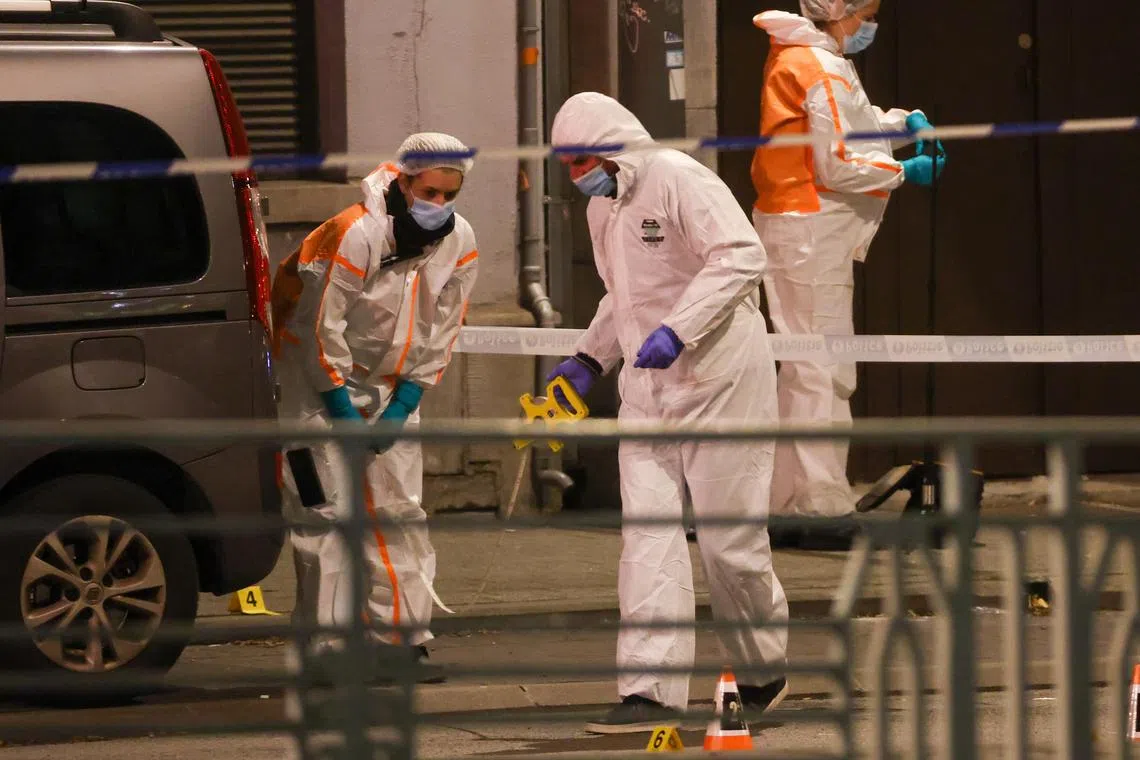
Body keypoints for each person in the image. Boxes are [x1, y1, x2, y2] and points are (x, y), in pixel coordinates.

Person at [549, 92, 789, 734]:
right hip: (648, 389)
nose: (577, 176)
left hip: (722, 380)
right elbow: (621, 296)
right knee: (648, 538)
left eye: (583, 162)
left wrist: (679, 329)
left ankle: (762, 669)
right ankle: (648, 692)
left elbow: (741, 254)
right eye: (568, 166)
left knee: (730, 544)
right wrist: (589, 357)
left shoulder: (679, 178)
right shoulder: (603, 207)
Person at [270, 132, 479, 681]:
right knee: (324, 516)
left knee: (399, 513)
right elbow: (318, 328)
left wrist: (405, 401)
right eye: (428, 192)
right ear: (404, 181)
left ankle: (398, 643)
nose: (438, 205)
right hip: (312, 392)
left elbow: (445, 326)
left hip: (390, 389)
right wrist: (341, 410)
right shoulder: (354, 234)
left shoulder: (458, 241)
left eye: (449, 195)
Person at [751, 0, 945, 549]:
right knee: (822, 371)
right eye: (867, 13)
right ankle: (818, 507)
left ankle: (791, 503)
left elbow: (847, 125)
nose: (871, 24)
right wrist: (903, 171)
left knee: (808, 368)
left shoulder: (811, 56)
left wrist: (902, 122)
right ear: (841, 11)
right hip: (810, 231)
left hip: (805, 230)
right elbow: (837, 163)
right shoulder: (815, 64)